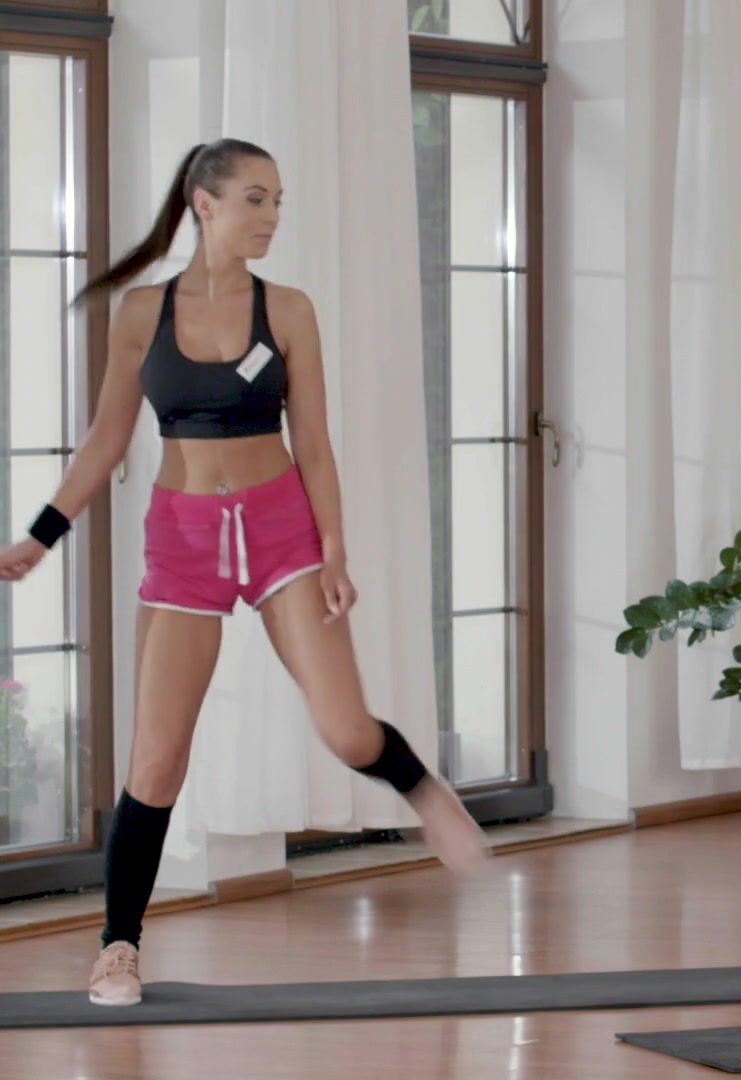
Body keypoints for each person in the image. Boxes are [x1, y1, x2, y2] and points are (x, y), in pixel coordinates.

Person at [0, 139, 488, 1007]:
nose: (271, 216)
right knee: (156, 763)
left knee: (346, 732)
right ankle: (118, 947)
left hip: (280, 530)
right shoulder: (142, 313)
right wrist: (42, 535)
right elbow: (107, 440)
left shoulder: (288, 309)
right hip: (183, 540)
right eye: (256, 199)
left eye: (278, 201)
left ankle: (421, 786)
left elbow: (316, 444)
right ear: (205, 203)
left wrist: (335, 552)